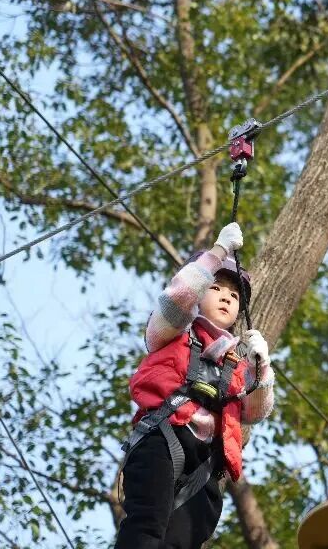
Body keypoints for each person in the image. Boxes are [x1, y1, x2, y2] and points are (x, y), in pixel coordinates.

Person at [115, 222, 275, 548]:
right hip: (163, 440)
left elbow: (256, 411)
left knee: (183, 541)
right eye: (216, 288)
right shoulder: (171, 331)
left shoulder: (236, 362)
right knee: (146, 527)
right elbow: (178, 298)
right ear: (200, 292)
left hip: (205, 464)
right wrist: (217, 252)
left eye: (234, 295)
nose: (227, 297)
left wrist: (262, 369)